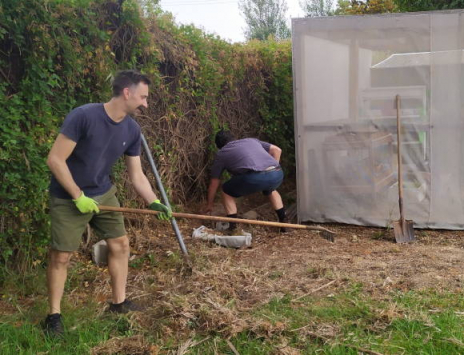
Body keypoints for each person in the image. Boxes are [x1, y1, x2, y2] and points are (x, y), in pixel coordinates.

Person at [43, 70, 172, 337]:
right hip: (68, 196)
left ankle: (118, 303)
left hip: (103, 193)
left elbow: (136, 175)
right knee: (61, 256)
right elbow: (55, 159)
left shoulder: (132, 129)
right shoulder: (84, 116)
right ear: (127, 92)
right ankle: (53, 316)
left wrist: (154, 202)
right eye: (143, 97)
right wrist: (78, 196)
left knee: (120, 244)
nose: (145, 104)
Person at [202, 130, 287, 231]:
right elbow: (277, 150)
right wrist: (272, 168)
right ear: (233, 138)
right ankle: (284, 221)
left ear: (219, 146)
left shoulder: (222, 153)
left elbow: (214, 183)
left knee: (226, 191)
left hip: (254, 177)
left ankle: (233, 228)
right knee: (271, 189)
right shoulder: (251, 141)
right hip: (277, 173)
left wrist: (209, 204)